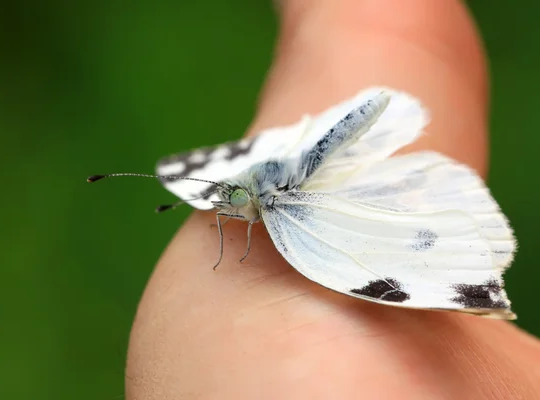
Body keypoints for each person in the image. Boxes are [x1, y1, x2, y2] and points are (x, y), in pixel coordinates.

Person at [126, 1, 540, 398]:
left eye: (228, 202)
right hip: (305, 144)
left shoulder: (290, 228)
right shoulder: (237, 191)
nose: (223, 210)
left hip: (312, 152)